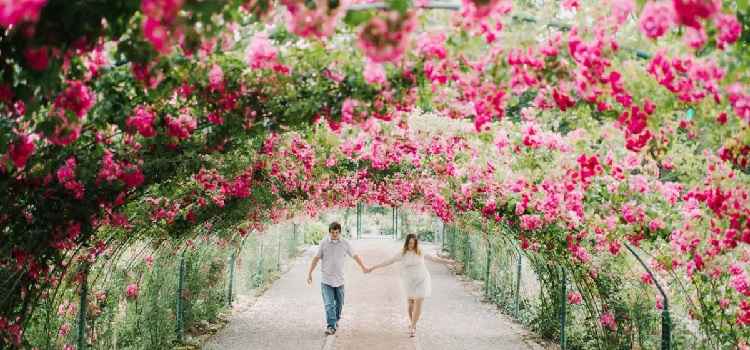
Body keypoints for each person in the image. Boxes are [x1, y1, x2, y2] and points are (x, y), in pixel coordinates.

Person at [365, 233, 450, 337]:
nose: (411, 245)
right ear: (407, 243)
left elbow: (434, 259)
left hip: (422, 279)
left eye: (413, 243)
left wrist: (448, 262)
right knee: (411, 305)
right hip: (409, 281)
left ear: (416, 243)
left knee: (418, 302)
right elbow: (389, 261)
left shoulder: (420, 251)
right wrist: (374, 267)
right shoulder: (402, 253)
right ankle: (412, 322)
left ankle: (413, 327)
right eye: (410, 243)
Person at [307, 222, 367, 335]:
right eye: (333, 232)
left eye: (337, 232)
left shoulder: (345, 243)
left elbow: (355, 255)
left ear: (340, 232)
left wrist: (363, 267)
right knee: (329, 304)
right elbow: (316, 258)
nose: (335, 234)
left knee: (339, 304)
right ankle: (331, 326)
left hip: (340, 280)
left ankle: (335, 320)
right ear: (329, 232)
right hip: (326, 280)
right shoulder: (324, 243)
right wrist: (309, 273)